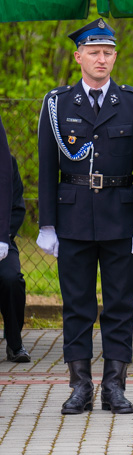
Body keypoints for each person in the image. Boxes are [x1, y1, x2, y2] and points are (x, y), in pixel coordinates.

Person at [36, 19, 133, 414]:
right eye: (93, 52)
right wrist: (47, 224)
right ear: (78, 57)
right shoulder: (57, 104)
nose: (101, 59)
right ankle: (80, 386)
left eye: (107, 52)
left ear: (115, 56)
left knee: (119, 305)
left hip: (120, 217)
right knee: (78, 306)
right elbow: (46, 167)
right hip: (72, 219)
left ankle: (114, 387)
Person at [1, 156, 28, 363]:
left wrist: (3, 237)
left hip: (1, 242)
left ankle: (14, 343)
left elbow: (17, 208)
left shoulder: (7, 163)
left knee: (12, 279)